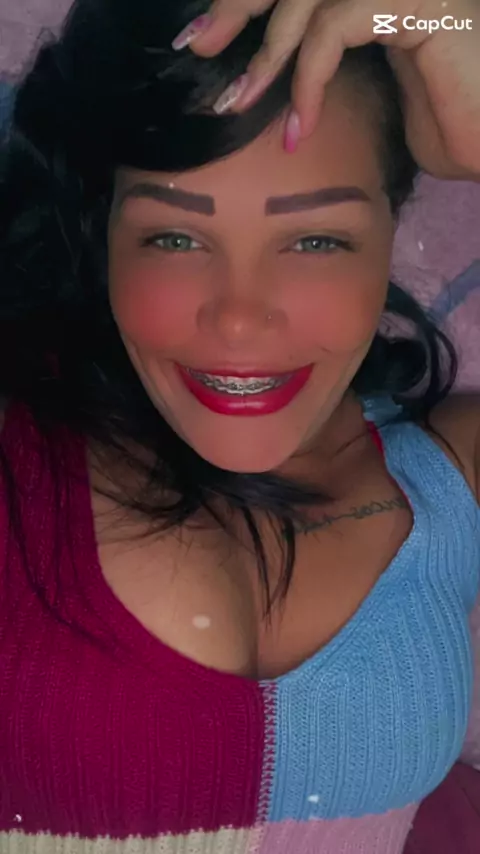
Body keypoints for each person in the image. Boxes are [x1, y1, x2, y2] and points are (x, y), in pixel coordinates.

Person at [0, 0, 479, 852]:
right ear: (104, 232)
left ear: (392, 223)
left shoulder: (452, 469)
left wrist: (458, 33)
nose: (239, 318)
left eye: (317, 241)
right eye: (175, 238)